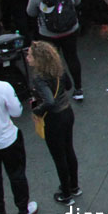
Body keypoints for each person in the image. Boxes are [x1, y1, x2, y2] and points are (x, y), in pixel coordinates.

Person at [0, 48, 36, 214]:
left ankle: (0, 213)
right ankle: (23, 212)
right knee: (16, 174)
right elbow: (16, 112)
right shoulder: (3, 87)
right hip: (8, 139)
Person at [26, 41, 79, 205]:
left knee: (59, 157)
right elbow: (69, 85)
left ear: (38, 59)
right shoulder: (58, 69)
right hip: (67, 112)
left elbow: (49, 101)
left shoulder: (39, 78)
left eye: (30, 55)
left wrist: (37, 109)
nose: (27, 58)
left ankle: (65, 193)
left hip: (54, 119)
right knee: (69, 149)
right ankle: (74, 186)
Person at [26, 0, 83, 99]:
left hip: (47, 33)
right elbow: (77, 1)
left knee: (50, 61)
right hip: (70, 29)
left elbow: (31, 12)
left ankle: (56, 89)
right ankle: (78, 89)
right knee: (72, 57)